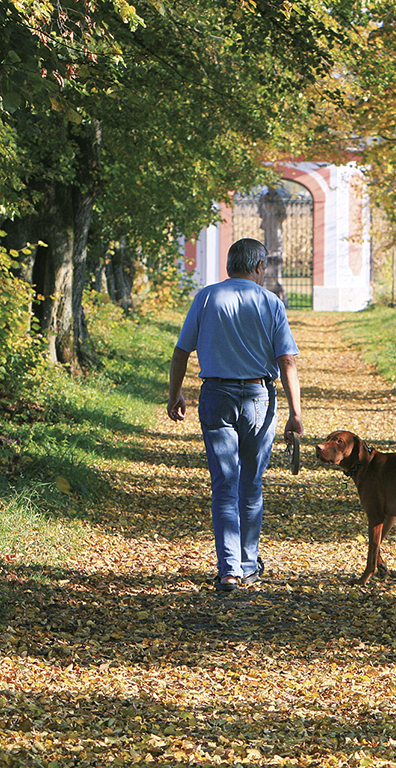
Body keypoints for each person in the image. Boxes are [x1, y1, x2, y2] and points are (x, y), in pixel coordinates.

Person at [167, 238, 303, 593]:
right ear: (259, 267)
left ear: (230, 265)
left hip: (216, 395)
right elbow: (286, 360)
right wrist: (295, 413)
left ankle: (228, 570)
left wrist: (175, 394)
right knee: (251, 486)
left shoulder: (207, 297)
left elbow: (182, 351)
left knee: (224, 485)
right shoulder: (271, 302)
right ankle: (247, 563)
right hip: (259, 396)